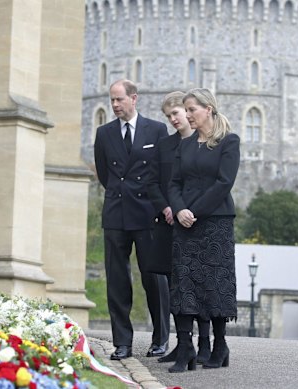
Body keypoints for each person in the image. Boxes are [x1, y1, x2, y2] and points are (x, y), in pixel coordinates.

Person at [93, 79, 170, 360]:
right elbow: (104, 173)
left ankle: (161, 339)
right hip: (116, 212)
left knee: (154, 278)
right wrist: (119, 193)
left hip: (148, 214)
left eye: (119, 100)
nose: (114, 105)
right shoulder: (104, 134)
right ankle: (122, 342)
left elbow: (163, 172)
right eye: (111, 100)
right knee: (117, 280)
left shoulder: (157, 130)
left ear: (133, 98)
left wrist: (160, 207)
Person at [166, 88, 240, 373]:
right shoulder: (185, 145)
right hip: (185, 223)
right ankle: (186, 346)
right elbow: (173, 183)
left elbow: (224, 183)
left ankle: (220, 346)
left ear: (208, 109)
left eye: (191, 109)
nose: (187, 115)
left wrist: (193, 212)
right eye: (185, 110)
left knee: (214, 282)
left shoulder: (228, 142)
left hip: (215, 222)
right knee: (184, 282)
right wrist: (180, 209)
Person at [147, 91, 211, 365]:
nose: (173, 119)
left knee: (201, 283)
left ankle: (205, 343)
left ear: (188, 111)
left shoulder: (206, 143)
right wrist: (167, 208)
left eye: (176, 113)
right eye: (168, 115)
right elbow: (152, 183)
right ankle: (182, 343)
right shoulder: (164, 146)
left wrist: (189, 210)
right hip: (170, 223)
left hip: (197, 221)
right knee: (175, 285)